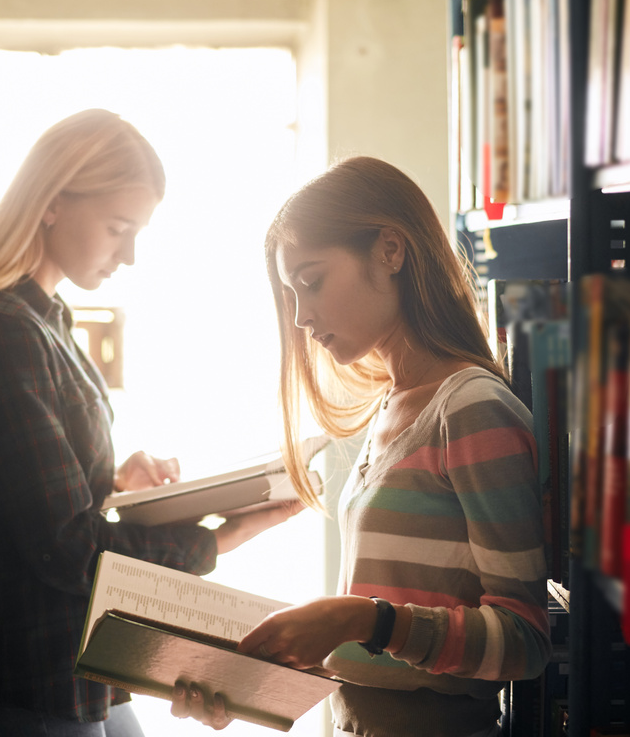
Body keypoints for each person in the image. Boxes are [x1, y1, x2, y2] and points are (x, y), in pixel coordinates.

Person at [0, 109, 299, 737]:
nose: (131, 255)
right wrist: (219, 539)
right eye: (119, 227)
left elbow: (32, 498)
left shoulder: (47, 318)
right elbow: (63, 546)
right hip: (28, 684)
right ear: (50, 204)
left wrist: (115, 484)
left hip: (78, 670)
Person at [172, 156, 552, 736]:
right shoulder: (393, 406)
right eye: (291, 293)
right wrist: (248, 677)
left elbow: (524, 642)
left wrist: (363, 620)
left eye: (312, 281)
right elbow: (387, 648)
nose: (301, 316)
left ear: (390, 250)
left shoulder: (472, 409)